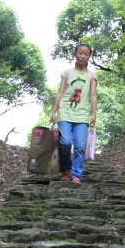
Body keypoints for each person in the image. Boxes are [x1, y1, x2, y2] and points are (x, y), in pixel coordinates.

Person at [50, 42, 97, 183]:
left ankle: (76, 174)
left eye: (86, 54)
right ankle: (66, 168)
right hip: (65, 113)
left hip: (82, 116)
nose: (83, 56)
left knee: (80, 146)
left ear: (89, 57)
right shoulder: (67, 73)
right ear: (75, 54)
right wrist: (54, 112)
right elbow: (59, 93)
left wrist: (93, 114)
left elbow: (93, 95)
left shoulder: (91, 76)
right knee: (64, 142)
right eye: (80, 53)